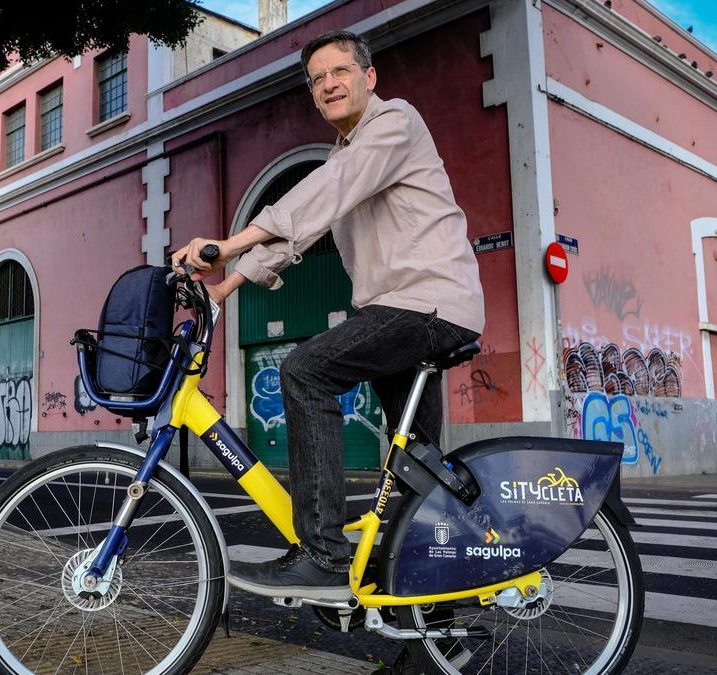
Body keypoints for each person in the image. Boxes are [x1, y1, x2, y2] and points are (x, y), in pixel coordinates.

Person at [171, 30, 485, 603]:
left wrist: (228, 240)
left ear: (369, 78)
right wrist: (224, 288)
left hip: (427, 305)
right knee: (413, 474)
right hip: (400, 311)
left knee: (305, 371)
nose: (328, 84)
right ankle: (430, 639)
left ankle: (322, 555)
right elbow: (303, 229)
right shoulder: (347, 154)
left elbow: (327, 191)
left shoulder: (394, 123)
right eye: (317, 79)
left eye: (339, 71)